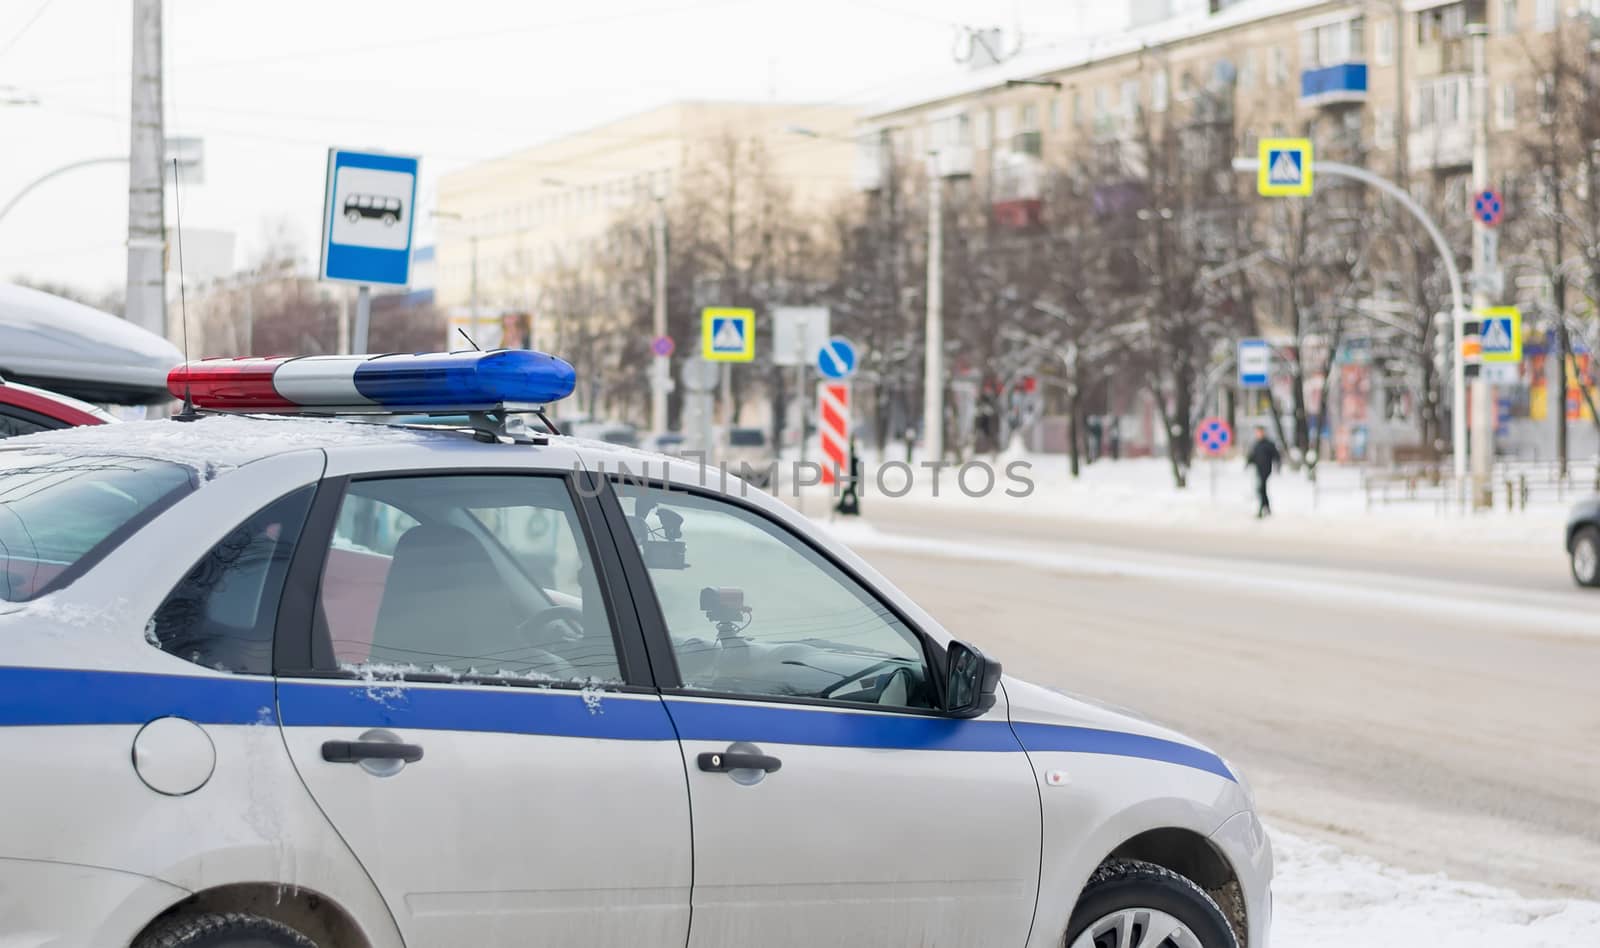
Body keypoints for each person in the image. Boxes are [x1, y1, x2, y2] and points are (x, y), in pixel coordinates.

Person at [1246, 426, 1281, 518]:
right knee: (1262, 489)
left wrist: (1278, 466)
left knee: (1261, 489)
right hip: (1258, 469)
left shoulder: (1268, 444)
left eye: (1259, 432)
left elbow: (1276, 455)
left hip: (1266, 470)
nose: (1258, 434)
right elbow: (1253, 456)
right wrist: (1248, 463)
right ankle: (1267, 508)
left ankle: (1261, 510)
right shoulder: (1257, 444)